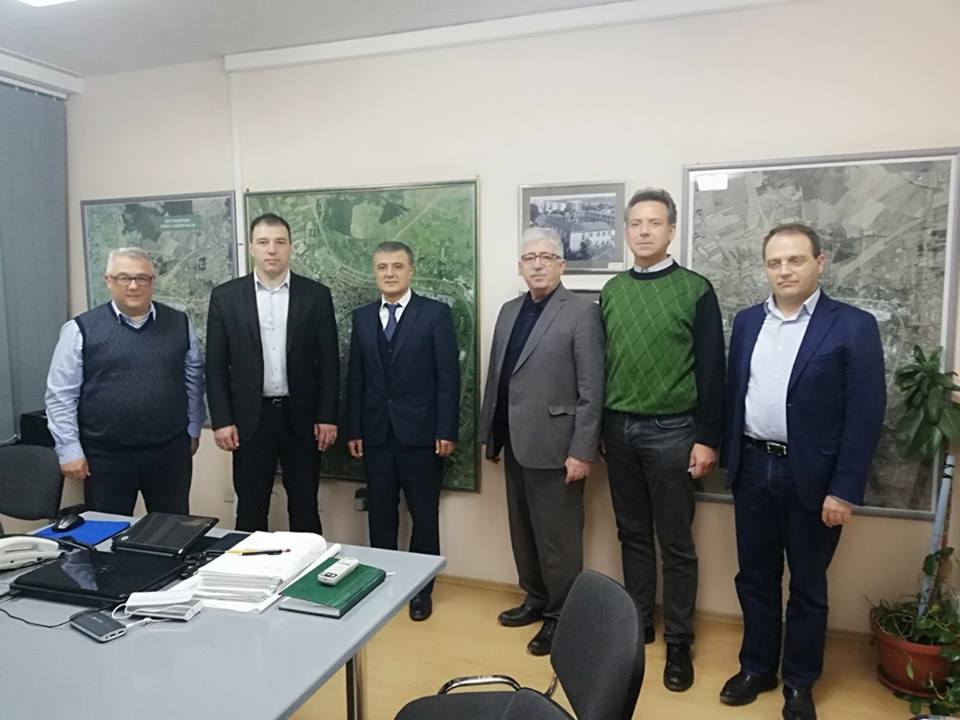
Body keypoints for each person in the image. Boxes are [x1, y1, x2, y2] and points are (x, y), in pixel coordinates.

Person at [719, 223, 885, 720]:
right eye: (775, 262)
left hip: (813, 478)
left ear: (819, 262)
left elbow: (865, 414)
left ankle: (798, 683)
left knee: (808, 587)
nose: (785, 270)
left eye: (795, 260)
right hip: (753, 468)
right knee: (755, 578)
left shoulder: (853, 326)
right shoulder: (748, 322)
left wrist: (844, 490)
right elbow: (735, 395)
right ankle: (756, 668)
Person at [600, 188, 725, 692]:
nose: (644, 231)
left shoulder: (695, 289)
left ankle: (679, 641)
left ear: (672, 231)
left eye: (654, 223)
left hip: (673, 431)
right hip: (618, 428)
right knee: (631, 533)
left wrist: (707, 438)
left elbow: (713, 372)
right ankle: (638, 625)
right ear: (626, 232)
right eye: (636, 223)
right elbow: (604, 362)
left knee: (675, 542)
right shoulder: (612, 291)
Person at [478, 227, 604, 655]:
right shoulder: (509, 310)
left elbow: (592, 388)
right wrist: (491, 436)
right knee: (523, 532)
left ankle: (561, 616)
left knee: (558, 541)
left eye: (546, 257)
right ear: (520, 266)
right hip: (515, 441)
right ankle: (535, 599)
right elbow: (497, 376)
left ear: (561, 265)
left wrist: (582, 450)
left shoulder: (581, 312)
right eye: (529, 258)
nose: (537, 264)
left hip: (558, 446)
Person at [347, 241, 460, 621]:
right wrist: (355, 429)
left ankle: (421, 591)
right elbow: (356, 378)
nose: (390, 273)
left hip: (423, 436)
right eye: (382, 267)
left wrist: (446, 429)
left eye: (397, 266)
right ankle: (384, 586)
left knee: (423, 517)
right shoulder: (363, 318)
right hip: (376, 435)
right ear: (375, 272)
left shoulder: (435, 314)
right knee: (380, 514)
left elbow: (448, 377)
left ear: (411, 270)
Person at [206, 213, 339, 533]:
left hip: (301, 418)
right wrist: (222, 420)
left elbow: (329, 362)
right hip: (250, 421)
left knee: (305, 506)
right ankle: (251, 567)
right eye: (263, 242)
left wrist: (327, 416)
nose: (272, 250)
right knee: (250, 509)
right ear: (251, 247)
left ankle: (308, 566)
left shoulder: (316, 295)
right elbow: (215, 365)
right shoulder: (226, 297)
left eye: (280, 242)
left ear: (291, 247)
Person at [45, 247, 204, 514]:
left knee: (172, 529)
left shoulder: (179, 323)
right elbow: (60, 395)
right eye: (123, 277)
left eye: (142, 278)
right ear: (108, 280)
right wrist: (69, 450)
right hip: (106, 456)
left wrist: (194, 428)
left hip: (170, 452)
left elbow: (194, 379)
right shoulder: (80, 329)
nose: (133, 285)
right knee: (108, 532)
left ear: (152, 281)